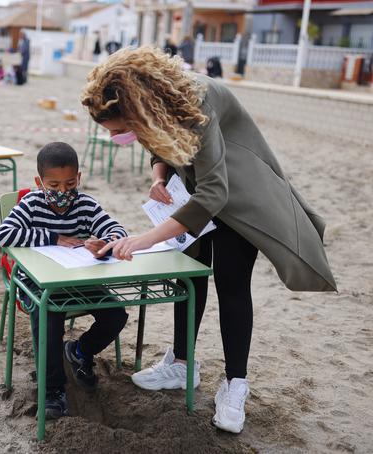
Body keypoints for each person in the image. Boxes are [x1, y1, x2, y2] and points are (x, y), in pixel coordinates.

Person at [81, 47, 336, 434]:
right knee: (190, 276)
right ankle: (182, 365)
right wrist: (159, 178)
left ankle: (235, 385)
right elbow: (158, 141)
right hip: (194, 189)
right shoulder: (153, 106)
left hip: (238, 195)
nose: (118, 137)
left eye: (119, 129)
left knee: (232, 285)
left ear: (138, 105)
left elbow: (214, 193)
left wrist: (147, 238)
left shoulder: (197, 100)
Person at [0, 142, 129, 419]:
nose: (62, 192)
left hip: (76, 278)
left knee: (116, 314)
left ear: (78, 177)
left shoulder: (86, 205)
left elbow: (116, 229)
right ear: (39, 182)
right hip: (36, 284)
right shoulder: (30, 204)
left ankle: (80, 350)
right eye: (53, 186)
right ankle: (52, 389)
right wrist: (52, 238)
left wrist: (107, 241)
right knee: (48, 317)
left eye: (69, 184)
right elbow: (2, 236)